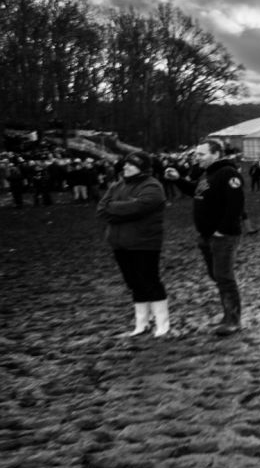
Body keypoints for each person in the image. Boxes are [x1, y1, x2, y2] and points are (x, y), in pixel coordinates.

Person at [166, 139, 245, 335]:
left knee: (224, 277)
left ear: (216, 154)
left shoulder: (228, 173)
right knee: (217, 276)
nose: (197, 158)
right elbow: (196, 191)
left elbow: (236, 204)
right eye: (196, 154)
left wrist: (222, 229)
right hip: (207, 236)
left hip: (223, 236)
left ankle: (233, 320)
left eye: (201, 154)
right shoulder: (208, 174)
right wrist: (177, 179)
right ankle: (227, 315)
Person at [97, 151, 169, 337]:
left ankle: (162, 323)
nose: (125, 167)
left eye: (131, 164)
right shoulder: (117, 185)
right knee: (134, 283)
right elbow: (101, 209)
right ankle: (141, 323)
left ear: (142, 167)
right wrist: (123, 209)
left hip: (144, 242)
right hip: (119, 243)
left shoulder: (152, 186)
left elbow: (140, 207)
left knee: (150, 280)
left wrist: (114, 208)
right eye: (126, 164)